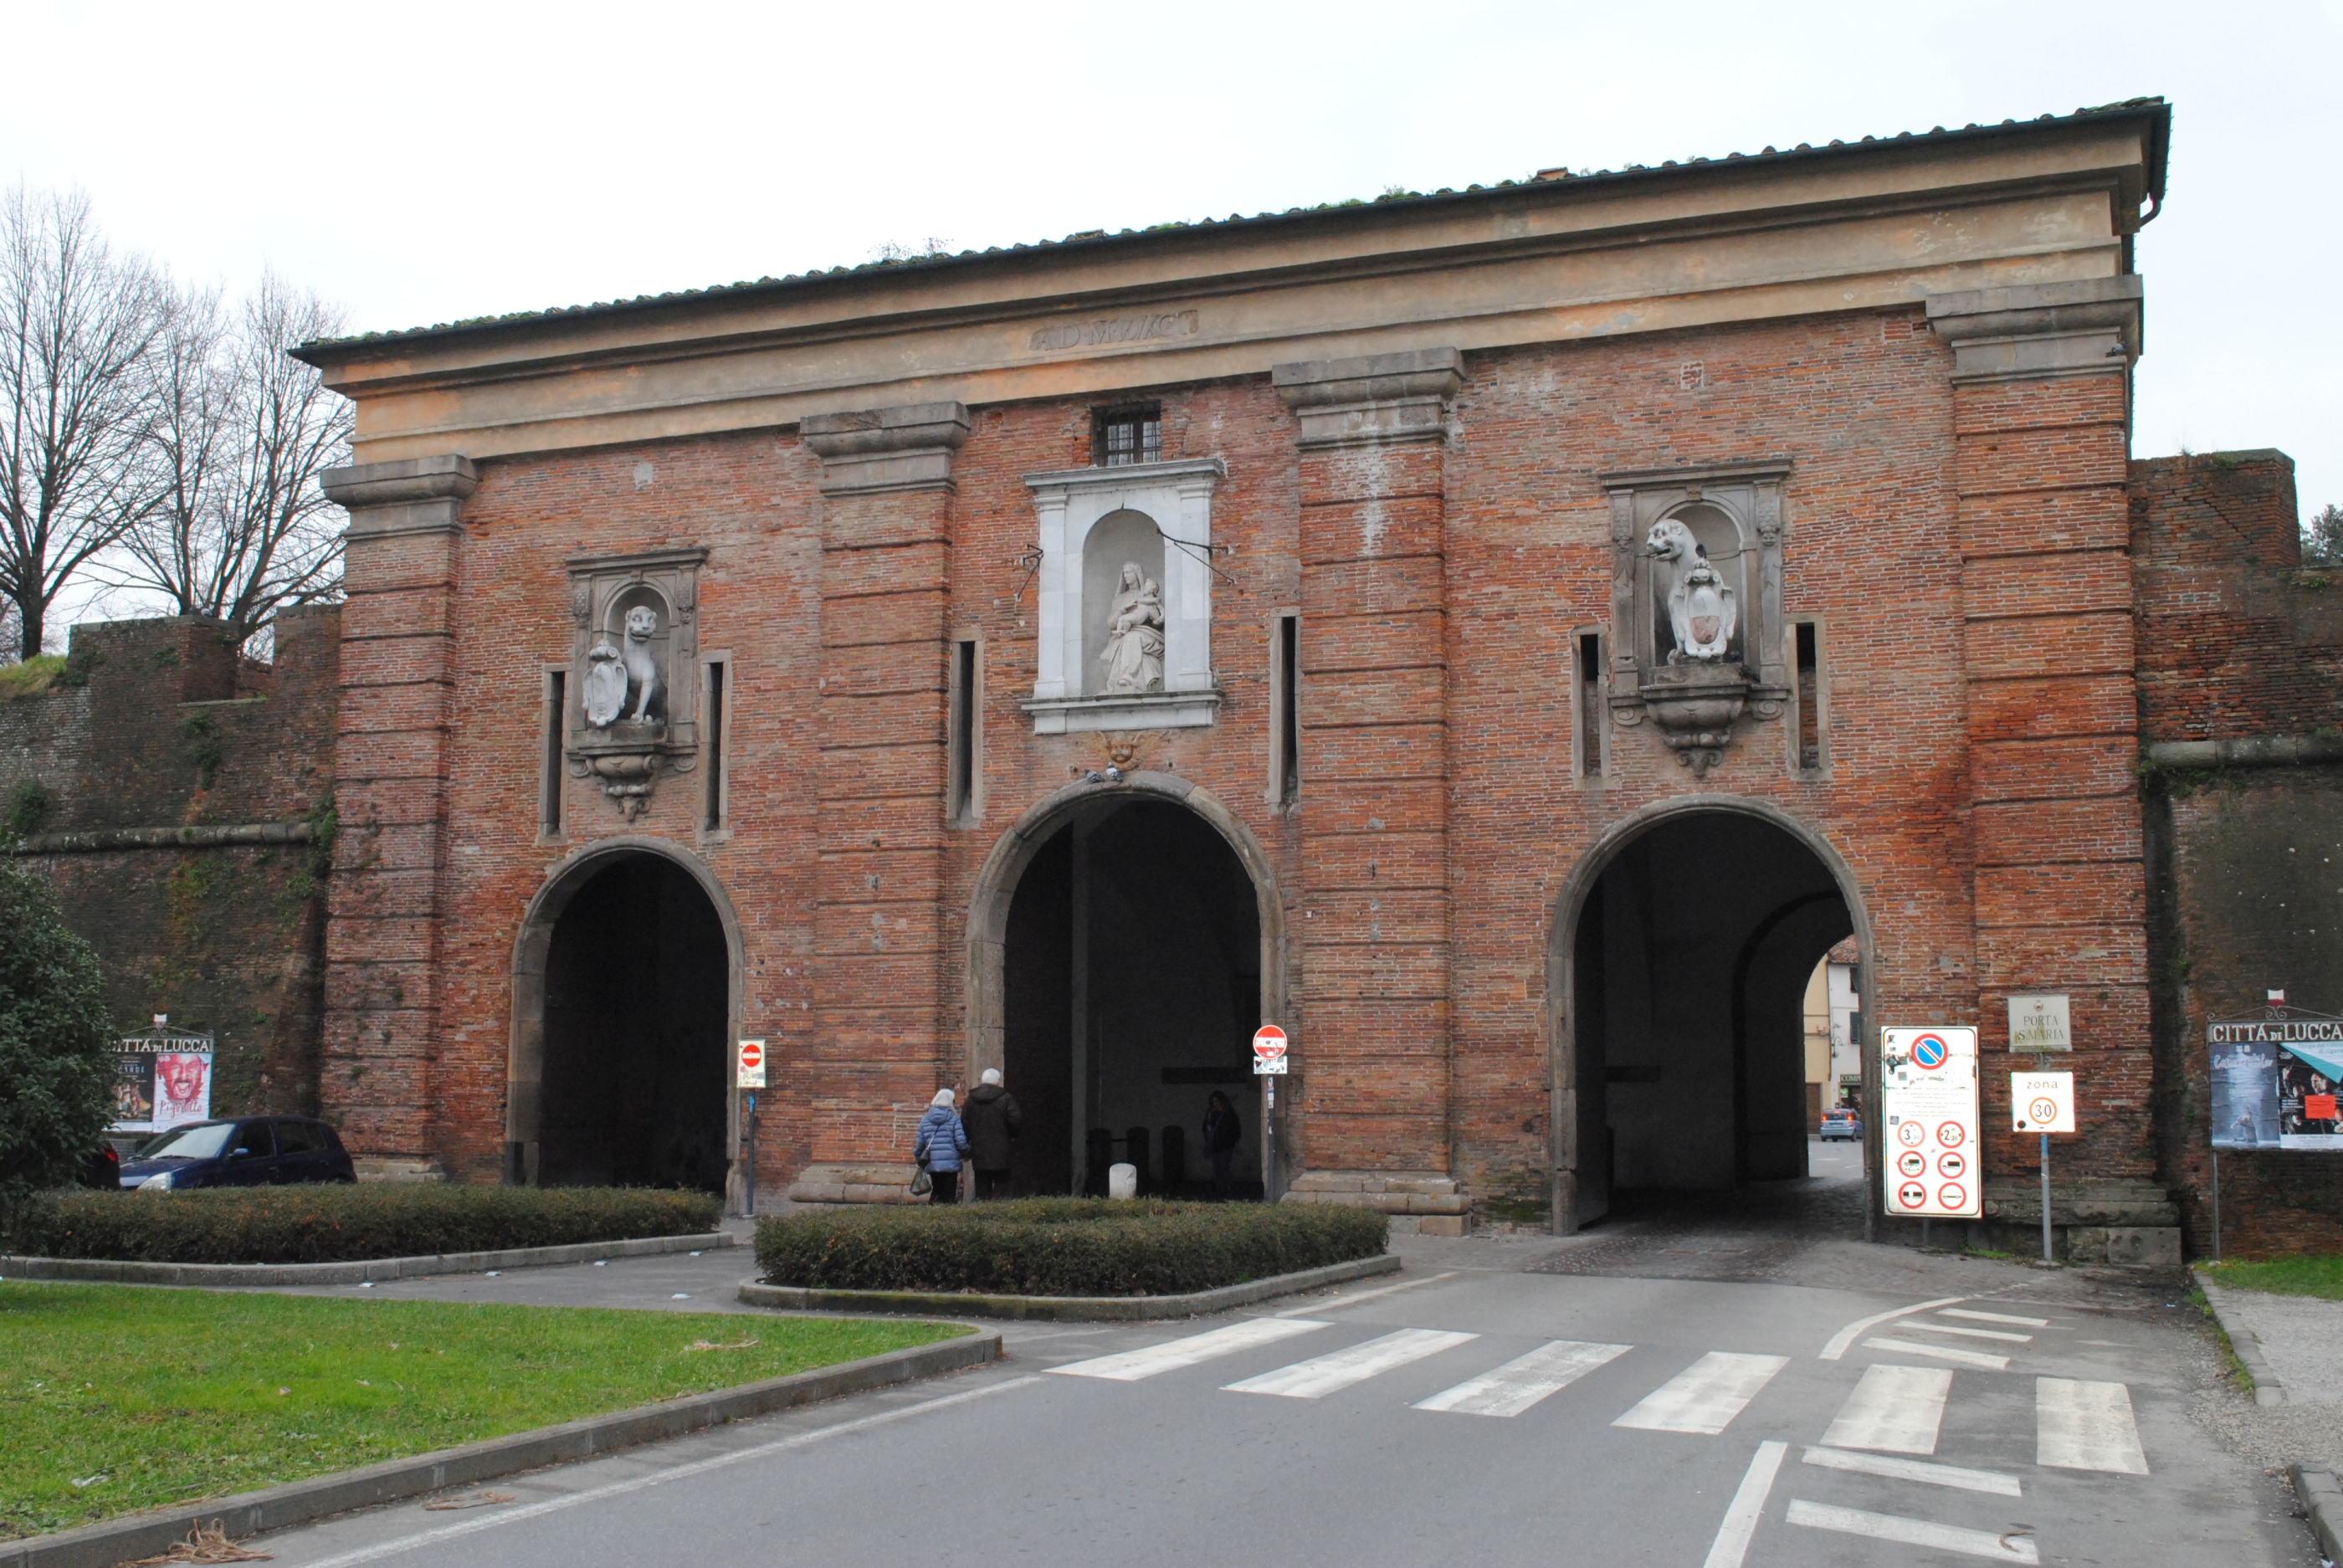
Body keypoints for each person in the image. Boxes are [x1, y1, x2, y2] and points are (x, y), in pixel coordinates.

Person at [961, 1068, 1023, 1200]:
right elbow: (1015, 1120)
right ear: (998, 1082)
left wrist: (969, 1141)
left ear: (982, 1082)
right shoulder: (1006, 1098)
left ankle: (983, 1212)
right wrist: (1011, 1136)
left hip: (979, 1150)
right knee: (1002, 1183)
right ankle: (996, 1209)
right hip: (1002, 1150)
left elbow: (964, 1123)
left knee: (982, 1186)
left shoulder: (971, 1100)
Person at [913, 1088, 969, 1204]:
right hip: (951, 1163)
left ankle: (933, 1214)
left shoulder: (925, 1119)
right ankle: (947, 1217)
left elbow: (919, 1145)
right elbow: (961, 1141)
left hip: (933, 1162)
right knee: (949, 1193)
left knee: (936, 1190)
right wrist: (966, 1153)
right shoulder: (954, 1119)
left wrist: (920, 1160)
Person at [1202, 1090, 1243, 1201]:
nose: (1215, 1104)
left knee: (1224, 1168)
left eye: (1217, 1101)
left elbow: (1236, 1130)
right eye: (1213, 1101)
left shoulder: (1228, 1114)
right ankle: (1221, 1190)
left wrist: (1230, 1142)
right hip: (1214, 1146)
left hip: (1226, 1146)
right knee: (1217, 1169)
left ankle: (1229, 1189)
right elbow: (1205, 1128)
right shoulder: (1210, 1114)